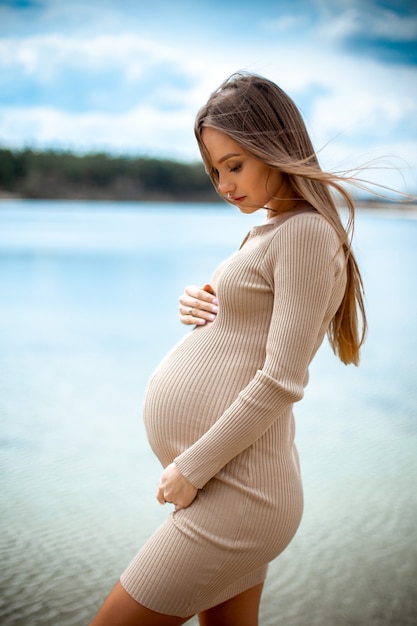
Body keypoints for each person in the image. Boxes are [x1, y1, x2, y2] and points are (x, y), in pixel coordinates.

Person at [89, 72, 367, 626]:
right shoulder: (275, 227)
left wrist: (190, 468)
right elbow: (247, 326)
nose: (223, 183)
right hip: (235, 488)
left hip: (240, 496)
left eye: (234, 164)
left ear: (275, 146)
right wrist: (203, 303)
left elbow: (281, 380)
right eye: (214, 171)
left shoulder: (306, 233)